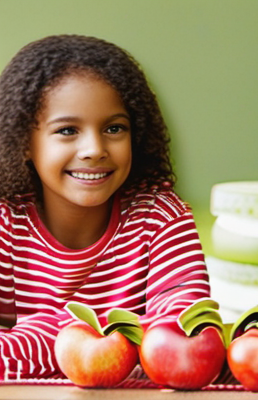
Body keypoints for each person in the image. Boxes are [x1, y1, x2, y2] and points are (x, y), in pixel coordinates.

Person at [0, 35, 210, 379]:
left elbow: (185, 329)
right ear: (24, 143)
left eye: (114, 128)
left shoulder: (160, 216)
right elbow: (151, 340)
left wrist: (53, 338)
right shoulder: (7, 222)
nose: (94, 149)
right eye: (67, 130)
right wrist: (118, 336)